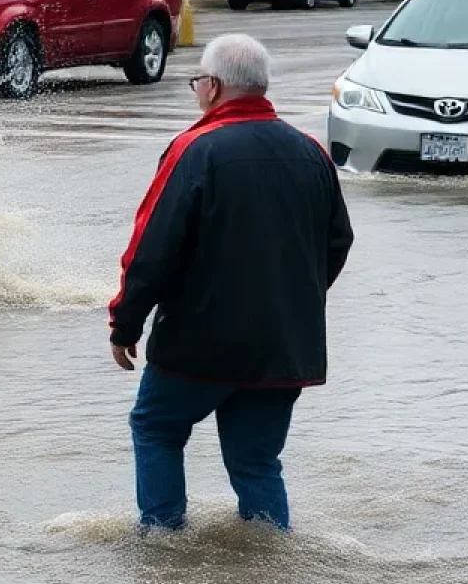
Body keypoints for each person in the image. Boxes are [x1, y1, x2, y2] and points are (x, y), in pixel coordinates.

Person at [108, 34, 353, 532]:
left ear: (214, 86)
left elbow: (150, 249)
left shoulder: (194, 148)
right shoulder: (311, 153)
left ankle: (161, 545)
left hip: (199, 344)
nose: (197, 90)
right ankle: (269, 574)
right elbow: (338, 243)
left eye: (198, 80)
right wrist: (289, 302)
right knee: (256, 462)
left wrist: (124, 324)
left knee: (156, 428)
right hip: (283, 346)